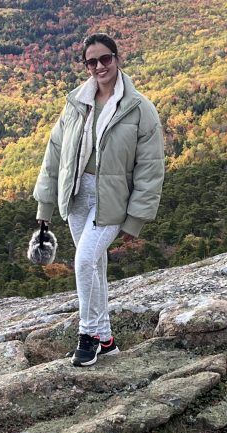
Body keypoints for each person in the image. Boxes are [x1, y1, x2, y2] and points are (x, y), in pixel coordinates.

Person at [34, 33, 165, 367]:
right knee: (94, 267)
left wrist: (135, 219)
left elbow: (150, 169)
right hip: (78, 195)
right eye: (91, 61)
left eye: (105, 59)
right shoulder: (77, 103)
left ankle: (88, 334)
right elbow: (55, 155)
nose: (99, 67)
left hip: (113, 200)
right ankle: (106, 340)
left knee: (83, 261)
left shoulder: (139, 109)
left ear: (117, 58)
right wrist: (44, 208)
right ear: (86, 65)